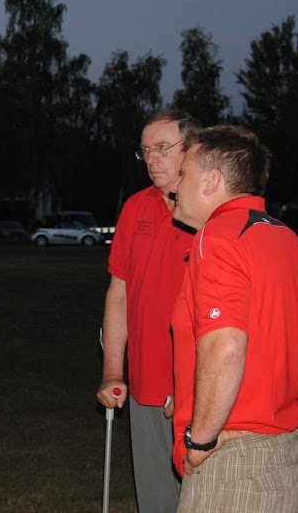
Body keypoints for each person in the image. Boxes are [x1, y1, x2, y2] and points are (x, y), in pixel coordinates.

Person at [170, 125, 298, 511]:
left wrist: (200, 439)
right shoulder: (285, 238)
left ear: (212, 180)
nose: (174, 187)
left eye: (183, 174)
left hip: (235, 467)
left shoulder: (216, 238)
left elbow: (225, 344)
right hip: (290, 453)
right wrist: (281, 398)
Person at [96, 109, 201, 512]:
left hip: (199, 388)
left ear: (192, 149)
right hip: (144, 385)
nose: (152, 160)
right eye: (146, 151)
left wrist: (196, 384)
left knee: (203, 498)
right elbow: (119, 295)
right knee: (157, 500)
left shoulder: (210, 213)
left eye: (162, 148)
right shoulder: (135, 208)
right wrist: (113, 372)